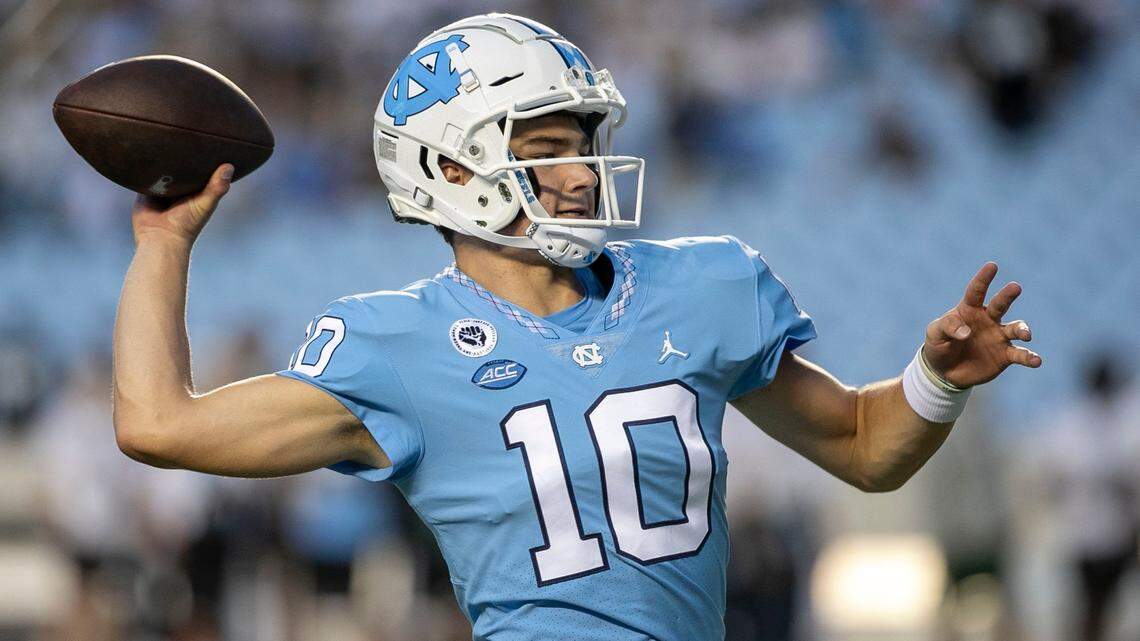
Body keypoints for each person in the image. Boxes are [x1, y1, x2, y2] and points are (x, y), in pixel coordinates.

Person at [112, 13, 1043, 641]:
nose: (582, 175)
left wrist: (936, 378)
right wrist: (164, 243)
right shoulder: (395, 348)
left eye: (584, 148)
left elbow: (866, 447)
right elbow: (158, 424)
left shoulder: (704, 284)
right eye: (550, 151)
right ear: (451, 168)